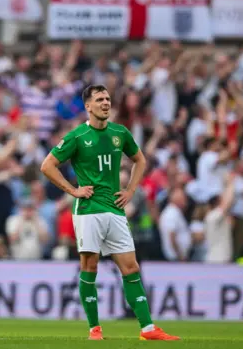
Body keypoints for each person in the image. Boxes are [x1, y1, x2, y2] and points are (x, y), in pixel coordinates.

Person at [40, 84, 179, 341]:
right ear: (88, 106)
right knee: (89, 265)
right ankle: (94, 329)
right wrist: (73, 191)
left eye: (107, 98)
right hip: (89, 209)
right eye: (100, 99)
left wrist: (130, 190)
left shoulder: (120, 133)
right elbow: (47, 165)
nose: (106, 103)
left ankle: (147, 329)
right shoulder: (78, 136)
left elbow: (140, 160)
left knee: (131, 267)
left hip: (115, 210)